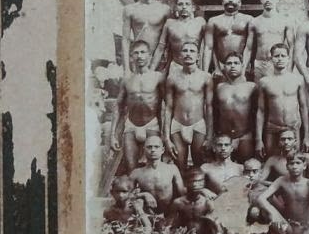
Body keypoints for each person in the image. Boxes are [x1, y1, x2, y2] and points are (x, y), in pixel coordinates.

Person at [108, 40, 166, 171]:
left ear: (149, 55)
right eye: (136, 53)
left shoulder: (157, 77)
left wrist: (165, 134)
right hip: (131, 125)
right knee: (131, 168)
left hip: (152, 124)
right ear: (131, 56)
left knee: (153, 169)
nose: (139, 56)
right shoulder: (127, 79)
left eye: (143, 52)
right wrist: (112, 135)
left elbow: (167, 105)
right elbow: (118, 106)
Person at [163, 41, 213, 170]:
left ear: (198, 56)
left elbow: (209, 107)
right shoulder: (172, 78)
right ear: (180, 56)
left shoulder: (205, 77)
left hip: (198, 124)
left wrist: (209, 135)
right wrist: (166, 137)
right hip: (178, 124)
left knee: (199, 165)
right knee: (179, 165)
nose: (188, 54)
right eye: (185, 51)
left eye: (192, 51)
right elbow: (168, 107)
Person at [255, 44, 309, 158]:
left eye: (283, 55)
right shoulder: (264, 82)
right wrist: (258, 140)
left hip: (293, 127)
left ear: (288, 58)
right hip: (272, 128)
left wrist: (306, 135)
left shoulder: (297, 80)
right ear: (271, 59)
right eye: (276, 56)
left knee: (294, 160)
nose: (280, 58)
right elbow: (261, 111)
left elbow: (303, 108)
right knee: (271, 160)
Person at [165, 170, 236, 234]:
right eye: (192, 182)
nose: (195, 185)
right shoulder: (178, 203)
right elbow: (168, 224)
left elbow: (217, 223)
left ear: (203, 184)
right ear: (185, 183)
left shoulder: (207, 203)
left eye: (199, 182)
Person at [120, 0, 171, 73]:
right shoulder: (130, 9)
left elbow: (169, 40)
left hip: (159, 58)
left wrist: (167, 65)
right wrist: (126, 69)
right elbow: (125, 40)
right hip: (138, 57)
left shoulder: (164, 9)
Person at [214, 51, 257, 160]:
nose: (232, 66)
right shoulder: (219, 87)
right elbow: (214, 113)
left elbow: (258, 113)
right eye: (229, 63)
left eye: (236, 63)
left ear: (242, 66)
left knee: (246, 169)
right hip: (224, 138)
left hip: (245, 136)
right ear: (224, 67)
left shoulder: (251, 87)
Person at [246, 0, 294, 82]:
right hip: (259, 63)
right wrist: (244, 67)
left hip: (277, 63)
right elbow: (248, 48)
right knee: (260, 94)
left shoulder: (285, 21)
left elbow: (292, 46)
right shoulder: (254, 21)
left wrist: (289, 67)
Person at [129, 135, 185, 214]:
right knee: (137, 203)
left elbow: (183, 193)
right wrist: (143, 195)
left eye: (156, 147)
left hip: (168, 213)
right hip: (146, 214)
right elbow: (126, 196)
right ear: (144, 150)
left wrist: (203, 191)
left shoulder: (172, 169)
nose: (153, 150)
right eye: (149, 147)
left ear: (162, 150)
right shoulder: (136, 173)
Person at [203, 0, 252, 74]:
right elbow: (209, 48)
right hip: (222, 66)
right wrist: (213, 69)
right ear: (222, 2)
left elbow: (250, 47)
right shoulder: (213, 21)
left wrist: (244, 68)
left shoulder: (248, 19)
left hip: (242, 65)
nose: (230, 0)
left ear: (240, 2)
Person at [153, 0, 206, 73]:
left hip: (195, 66)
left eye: (187, 4)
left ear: (193, 8)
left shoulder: (200, 22)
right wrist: (151, 69)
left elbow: (208, 47)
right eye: (180, 4)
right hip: (176, 66)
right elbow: (161, 47)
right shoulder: (170, 23)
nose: (184, 7)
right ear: (176, 8)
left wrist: (204, 70)